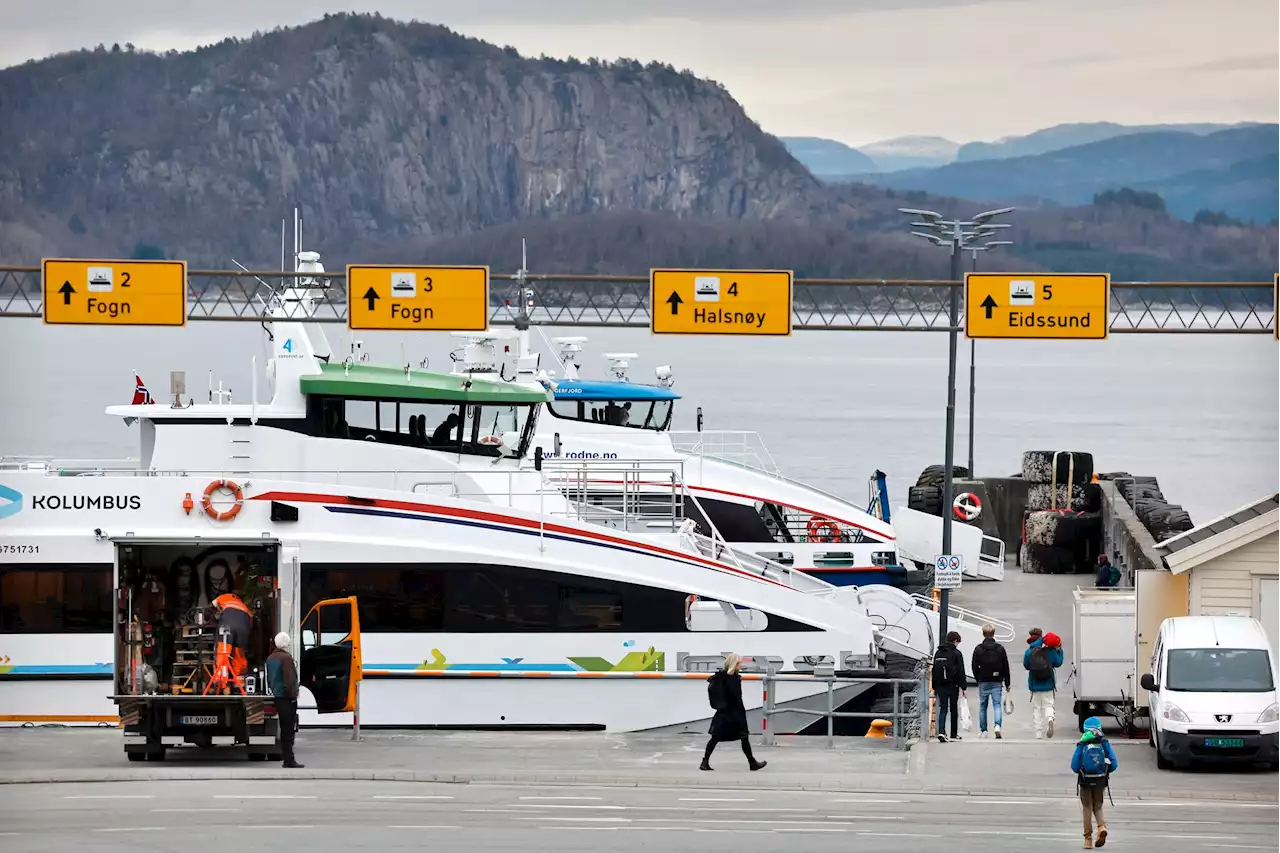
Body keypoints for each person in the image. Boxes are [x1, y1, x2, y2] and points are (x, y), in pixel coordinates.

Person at [701, 653, 766, 772]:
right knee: (744, 736)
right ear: (736, 664)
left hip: (723, 712)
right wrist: (741, 714)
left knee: (715, 737)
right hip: (734, 713)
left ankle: (705, 761)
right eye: (740, 662)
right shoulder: (734, 679)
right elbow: (736, 697)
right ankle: (752, 763)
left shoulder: (720, 677)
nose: (742, 664)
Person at [1071, 716, 1118, 848]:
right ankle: (1101, 827)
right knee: (1098, 806)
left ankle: (1088, 839)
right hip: (1100, 780)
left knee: (1087, 808)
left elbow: (1074, 766)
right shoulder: (1104, 743)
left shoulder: (1083, 744)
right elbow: (1114, 764)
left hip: (1085, 781)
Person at [266, 631, 304, 769]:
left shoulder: (270, 658)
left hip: (277, 696)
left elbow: (270, 679)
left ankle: (287, 758)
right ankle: (289, 760)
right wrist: (294, 695)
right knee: (288, 730)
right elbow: (289, 679)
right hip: (287, 698)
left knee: (284, 728)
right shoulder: (286, 658)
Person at [971, 622, 1011, 739]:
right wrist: (1007, 682)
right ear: (993, 634)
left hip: (983, 680)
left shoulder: (978, 649)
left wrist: (978, 678)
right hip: (997, 680)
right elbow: (1005, 666)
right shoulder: (1000, 649)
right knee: (997, 705)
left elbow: (973, 666)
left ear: (983, 634)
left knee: (983, 706)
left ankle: (984, 731)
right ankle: (997, 726)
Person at [1024, 627, 1065, 738]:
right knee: (1049, 704)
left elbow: (1026, 666)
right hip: (1048, 683)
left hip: (1034, 684)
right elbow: (1058, 662)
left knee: (1037, 708)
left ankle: (1038, 733)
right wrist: (1060, 651)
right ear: (1041, 636)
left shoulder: (1029, 652)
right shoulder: (1049, 650)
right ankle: (1050, 719)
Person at [932, 631, 966, 743]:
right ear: (955, 641)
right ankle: (953, 733)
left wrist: (934, 687)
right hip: (953, 685)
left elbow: (934, 670)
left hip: (940, 685)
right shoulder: (956, 653)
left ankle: (941, 731)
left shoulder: (938, 653)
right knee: (953, 708)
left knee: (943, 708)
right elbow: (961, 671)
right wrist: (963, 687)